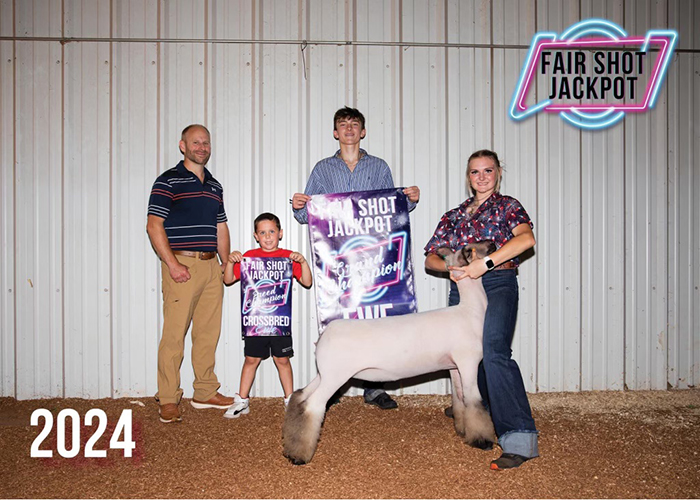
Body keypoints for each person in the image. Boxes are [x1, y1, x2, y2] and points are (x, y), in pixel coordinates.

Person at [292, 106, 421, 410]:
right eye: (343, 124)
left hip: (374, 257)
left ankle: (375, 387)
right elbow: (305, 215)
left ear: (362, 132)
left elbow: (393, 208)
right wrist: (298, 205)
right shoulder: (322, 169)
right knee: (339, 322)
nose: (349, 128)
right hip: (338, 257)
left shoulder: (379, 166)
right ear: (335, 132)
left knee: (376, 320)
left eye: (354, 124)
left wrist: (410, 200)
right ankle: (333, 383)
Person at [423, 149, 538, 470]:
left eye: (488, 170)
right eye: (475, 171)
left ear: (498, 173)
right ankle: (480, 411)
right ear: (468, 177)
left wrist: (484, 264)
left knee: (494, 351)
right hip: (462, 289)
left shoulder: (508, 206)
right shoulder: (454, 215)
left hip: (497, 282)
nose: (482, 177)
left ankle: (519, 437)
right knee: (468, 357)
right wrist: (451, 267)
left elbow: (526, 240)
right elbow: (431, 258)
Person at [146, 124, 234, 423]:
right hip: (182, 264)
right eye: (195, 142)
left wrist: (225, 264)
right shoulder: (168, 181)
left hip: (210, 267)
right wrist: (172, 264)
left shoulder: (215, 186)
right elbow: (154, 225)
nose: (202, 147)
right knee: (174, 335)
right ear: (182, 146)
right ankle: (168, 398)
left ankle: (205, 391)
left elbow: (220, 226)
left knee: (207, 333)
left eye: (206, 143)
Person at [223, 212, 313, 418]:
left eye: (272, 231)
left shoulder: (289, 256)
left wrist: (303, 262)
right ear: (256, 236)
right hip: (256, 321)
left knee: (282, 360)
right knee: (251, 359)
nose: (268, 236)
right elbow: (227, 280)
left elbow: (307, 282)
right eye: (262, 233)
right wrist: (229, 262)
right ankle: (242, 400)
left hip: (279, 322)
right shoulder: (249, 257)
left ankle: (290, 401)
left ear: (280, 233)